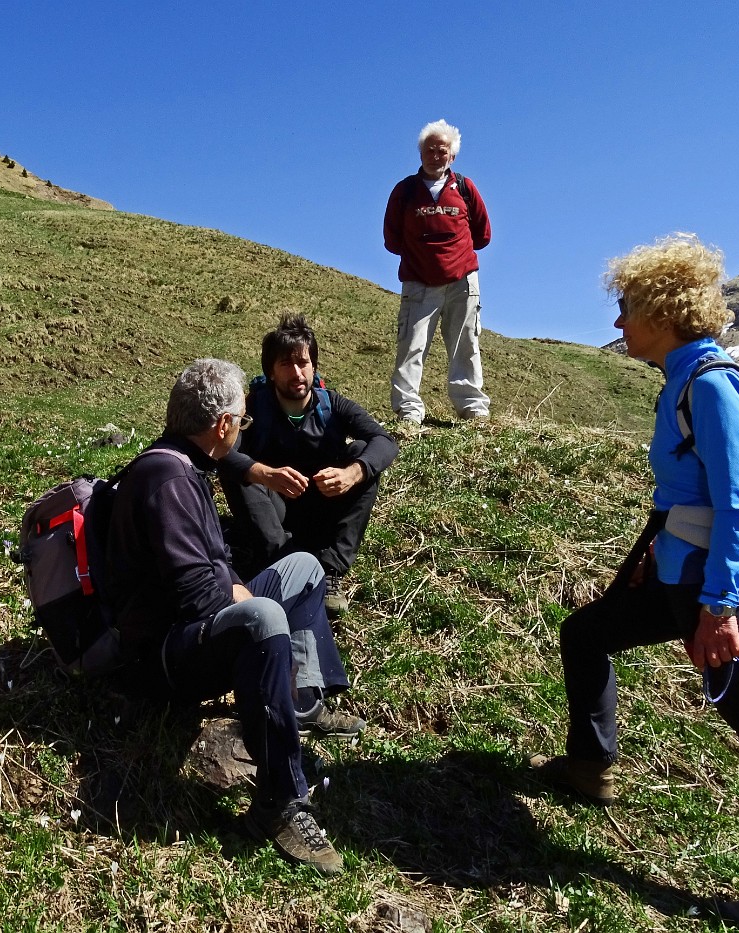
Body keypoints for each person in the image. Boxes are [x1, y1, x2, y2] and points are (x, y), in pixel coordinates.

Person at [529, 235, 739, 931]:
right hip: (679, 575)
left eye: (627, 308)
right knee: (586, 633)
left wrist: (720, 605)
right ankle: (590, 766)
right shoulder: (683, 378)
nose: (618, 324)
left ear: (664, 312)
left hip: (715, 590)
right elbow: (687, 493)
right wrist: (655, 554)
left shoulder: (713, 385)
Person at [105, 358, 364, 874]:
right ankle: (280, 800)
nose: (242, 430)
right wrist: (245, 600)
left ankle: (303, 700)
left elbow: (210, 567)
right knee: (265, 615)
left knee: (304, 569)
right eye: (242, 421)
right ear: (222, 424)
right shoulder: (167, 478)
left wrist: (236, 587)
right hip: (159, 656)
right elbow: (195, 594)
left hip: (190, 624)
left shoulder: (184, 464)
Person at [220, 313, 398, 618]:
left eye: (303, 363)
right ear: (271, 372)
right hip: (273, 515)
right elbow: (222, 453)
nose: (297, 373)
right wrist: (265, 474)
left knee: (362, 454)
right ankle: (281, 567)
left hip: (324, 509)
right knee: (240, 472)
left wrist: (352, 473)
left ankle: (330, 572)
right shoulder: (252, 408)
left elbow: (385, 441)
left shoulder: (332, 404)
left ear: (313, 366)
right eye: (286, 364)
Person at [383, 119, 492, 433]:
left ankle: (473, 410)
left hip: (463, 282)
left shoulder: (465, 188)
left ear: (452, 156)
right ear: (420, 154)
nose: (434, 155)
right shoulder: (404, 192)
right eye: (428, 150)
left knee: (466, 345)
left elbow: (483, 235)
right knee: (411, 346)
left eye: (441, 150)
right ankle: (408, 413)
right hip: (418, 284)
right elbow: (392, 239)